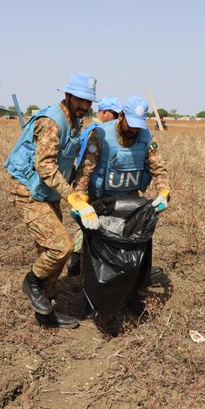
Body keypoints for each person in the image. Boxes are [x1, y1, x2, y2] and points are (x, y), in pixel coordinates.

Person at [4, 72, 100, 329]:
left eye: (88, 102)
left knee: (48, 250)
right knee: (61, 246)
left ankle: (46, 312)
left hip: (48, 192)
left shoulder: (74, 121)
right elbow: (45, 167)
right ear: (67, 96)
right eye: (80, 100)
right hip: (27, 191)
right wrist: (72, 197)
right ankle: (32, 282)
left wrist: (78, 191)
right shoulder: (52, 122)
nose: (84, 106)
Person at [73, 95, 171, 317]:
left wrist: (164, 193)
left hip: (130, 201)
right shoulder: (101, 135)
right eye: (131, 125)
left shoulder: (146, 138)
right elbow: (85, 171)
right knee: (94, 250)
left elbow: (159, 169)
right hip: (102, 201)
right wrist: (79, 200)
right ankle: (90, 299)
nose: (134, 131)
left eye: (139, 127)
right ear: (122, 116)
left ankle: (130, 294)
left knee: (132, 249)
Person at [68, 96, 122, 275]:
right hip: (90, 186)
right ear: (104, 112)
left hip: (95, 185)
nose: (117, 119)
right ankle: (77, 268)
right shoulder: (97, 131)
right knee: (85, 227)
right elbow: (85, 162)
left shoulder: (94, 128)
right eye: (114, 114)